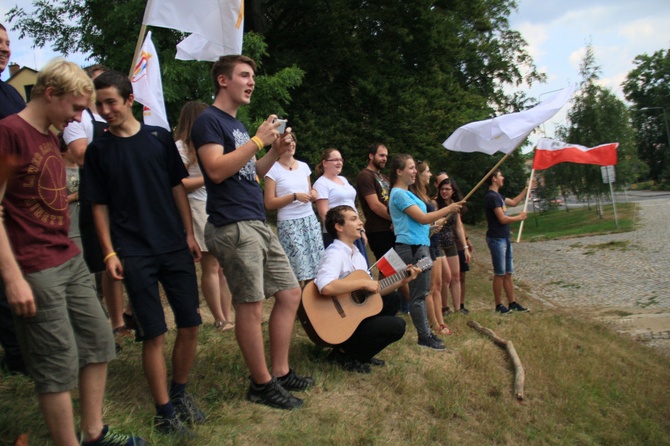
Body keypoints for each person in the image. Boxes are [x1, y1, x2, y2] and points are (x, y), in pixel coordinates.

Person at [0, 59, 144, 446]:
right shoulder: (9, 133)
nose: (81, 117)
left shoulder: (51, 134)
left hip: (68, 257)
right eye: (77, 108)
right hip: (34, 267)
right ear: (50, 94)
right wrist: (13, 278)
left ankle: (93, 434)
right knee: (56, 360)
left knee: (99, 340)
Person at [82, 70, 204, 434]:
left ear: (129, 100)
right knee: (153, 333)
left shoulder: (159, 138)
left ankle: (179, 391)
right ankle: (164, 411)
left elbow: (176, 188)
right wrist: (108, 253)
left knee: (191, 322)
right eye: (99, 104)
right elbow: (98, 206)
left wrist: (188, 233)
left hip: (173, 245)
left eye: (111, 102)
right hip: (133, 251)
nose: (105, 110)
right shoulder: (97, 150)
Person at [191, 54, 313, 411]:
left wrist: (273, 151)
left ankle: (280, 370)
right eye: (244, 75)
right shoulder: (208, 121)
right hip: (232, 224)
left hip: (256, 220)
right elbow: (214, 170)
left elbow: (249, 172)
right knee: (251, 303)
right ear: (222, 80)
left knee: (290, 293)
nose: (252, 81)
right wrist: (259, 141)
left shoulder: (239, 126)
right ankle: (261, 384)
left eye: (253, 76)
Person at [62, 64, 132, 341]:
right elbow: (81, 155)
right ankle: (115, 322)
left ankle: (131, 311)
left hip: (126, 199)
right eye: (95, 85)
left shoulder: (119, 117)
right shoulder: (77, 120)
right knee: (108, 262)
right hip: (99, 199)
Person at [314, 205, 415, 373]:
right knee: (397, 325)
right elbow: (325, 286)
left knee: (392, 299)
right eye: (354, 219)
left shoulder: (357, 254)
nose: (360, 223)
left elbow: (373, 291)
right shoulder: (335, 253)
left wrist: (402, 280)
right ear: (339, 227)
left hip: (353, 316)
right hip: (337, 321)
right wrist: (361, 283)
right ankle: (346, 355)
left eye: (359, 218)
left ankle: (360, 353)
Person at [388, 154, 463, 350]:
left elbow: (418, 224)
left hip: (421, 246)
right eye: (411, 168)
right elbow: (421, 218)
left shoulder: (408, 193)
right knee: (418, 295)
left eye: (415, 168)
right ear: (399, 171)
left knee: (423, 292)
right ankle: (424, 336)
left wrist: (431, 228)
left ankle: (427, 334)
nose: (415, 172)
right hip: (412, 249)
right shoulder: (399, 194)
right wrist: (448, 209)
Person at [175, 100, 234, 332]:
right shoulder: (180, 146)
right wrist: (210, 177)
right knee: (210, 265)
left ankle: (227, 316)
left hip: (217, 205)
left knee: (224, 266)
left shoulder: (211, 143)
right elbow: (179, 184)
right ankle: (219, 318)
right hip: (196, 206)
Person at [0, 23, 28, 376]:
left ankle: (18, 355)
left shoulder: (11, 95)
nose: (5, 48)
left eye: (7, 42)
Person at [264, 132, 323, 285]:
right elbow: (269, 203)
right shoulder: (272, 169)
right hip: (290, 224)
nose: (291, 145)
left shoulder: (303, 167)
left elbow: (309, 191)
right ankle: (298, 306)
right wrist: (294, 196)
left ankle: (312, 306)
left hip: (309, 220)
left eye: (293, 141)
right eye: (287, 142)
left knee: (315, 269)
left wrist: (313, 193)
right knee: (297, 271)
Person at [410, 161, 451, 336]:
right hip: (424, 244)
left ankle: (440, 319)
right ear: (419, 175)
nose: (429, 174)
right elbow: (420, 220)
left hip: (434, 243)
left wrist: (435, 224)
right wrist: (434, 222)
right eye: (427, 171)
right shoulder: (414, 196)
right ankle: (434, 323)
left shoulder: (424, 195)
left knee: (439, 284)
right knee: (430, 287)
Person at [484, 168, 531, 314]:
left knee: (508, 273)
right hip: (496, 238)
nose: (502, 177)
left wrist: (526, 188)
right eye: (500, 175)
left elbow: (515, 202)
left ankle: (512, 303)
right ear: (494, 178)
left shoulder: (498, 196)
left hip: (505, 237)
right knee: (499, 273)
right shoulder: (491, 197)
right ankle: (499, 305)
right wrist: (519, 218)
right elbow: (502, 218)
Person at [313, 148, 368, 265]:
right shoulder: (321, 183)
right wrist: (337, 236)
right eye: (335, 160)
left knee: (360, 267)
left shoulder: (343, 180)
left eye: (341, 159)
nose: (339, 163)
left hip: (353, 230)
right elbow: (324, 214)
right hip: (338, 234)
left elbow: (351, 205)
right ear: (325, 163)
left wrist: (361, 230)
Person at [435, 178, 470, 318]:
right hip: (438, 243)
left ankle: (457, 309)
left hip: (451, 243)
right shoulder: (435, 203)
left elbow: (459, 227)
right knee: (446, 276)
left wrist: (465, 246)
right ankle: (445, 307)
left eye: (447, 189)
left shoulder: (455, 206)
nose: (444, 192)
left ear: (453, 191)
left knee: (456, 275)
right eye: (442, 189)